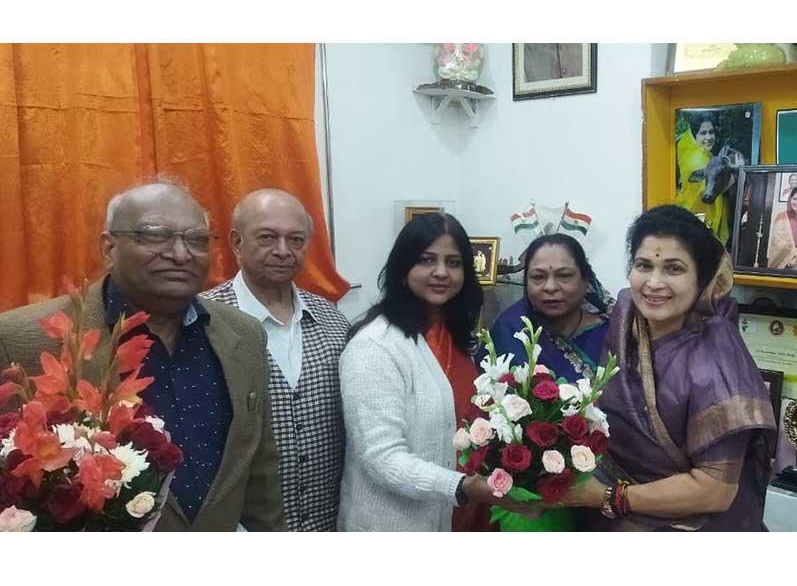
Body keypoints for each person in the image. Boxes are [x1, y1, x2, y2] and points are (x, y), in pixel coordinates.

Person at [0, 182, 286, 531]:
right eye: (155, 235)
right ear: (109, 248)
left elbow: (260, 471)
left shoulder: (244, 335)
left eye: (197, 240)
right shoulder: (22, 341)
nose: (180, 254)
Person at [559, 205, 777, 531]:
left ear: (702, 280)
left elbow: (715, 491)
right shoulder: (626, 320)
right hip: (606, 513)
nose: (654, 283)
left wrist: (610, 496)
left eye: (674, 269)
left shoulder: (718, 355)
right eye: (643, 265)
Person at [337, 213, 517, 531]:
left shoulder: (457, 337)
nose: (441, 272)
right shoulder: (375, 346)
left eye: (453, 262)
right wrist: (461, 486)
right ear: (403, 268)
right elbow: (382, 458)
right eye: (427, 260)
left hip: (460, 514)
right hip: (395, 525)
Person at [202, 188, 348, 531]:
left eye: (295, 240)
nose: (283, 251)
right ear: (237, 243)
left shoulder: (333, 321)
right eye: (267, 237)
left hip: (329, 525)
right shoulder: (204, 323)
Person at [486, 234, 613, 385]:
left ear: (586, 280)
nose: (550, 287)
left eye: (564, 276)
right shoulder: (509, 331)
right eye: (538, 277)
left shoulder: (612, 335)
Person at [675, 113, 730, 245]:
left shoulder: (705, 155)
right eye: (703, 133)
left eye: (711, 132)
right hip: (696, 222)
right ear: (695, 135)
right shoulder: (697, 160)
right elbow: (705, 192)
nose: (708, 137)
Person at [767, 186, 797, 269]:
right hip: (783, 264)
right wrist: (794, 252)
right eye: (794, 199)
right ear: (790, 200)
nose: (796, 202)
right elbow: (777, 241)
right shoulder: (781, 217)